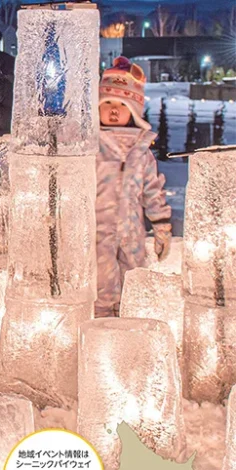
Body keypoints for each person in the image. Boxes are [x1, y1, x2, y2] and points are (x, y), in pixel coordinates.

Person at [95, 57, 172, 317]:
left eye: (121, 104)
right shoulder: (92, 147)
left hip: (131, 233)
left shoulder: (141, 151)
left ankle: (130, 330)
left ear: (134, 111)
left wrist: (161, 225)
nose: (114, 110)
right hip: (98, 233)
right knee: (100, 289)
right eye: (107, 104)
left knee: (133, 286)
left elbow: (152, 191)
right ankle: (102, 333)